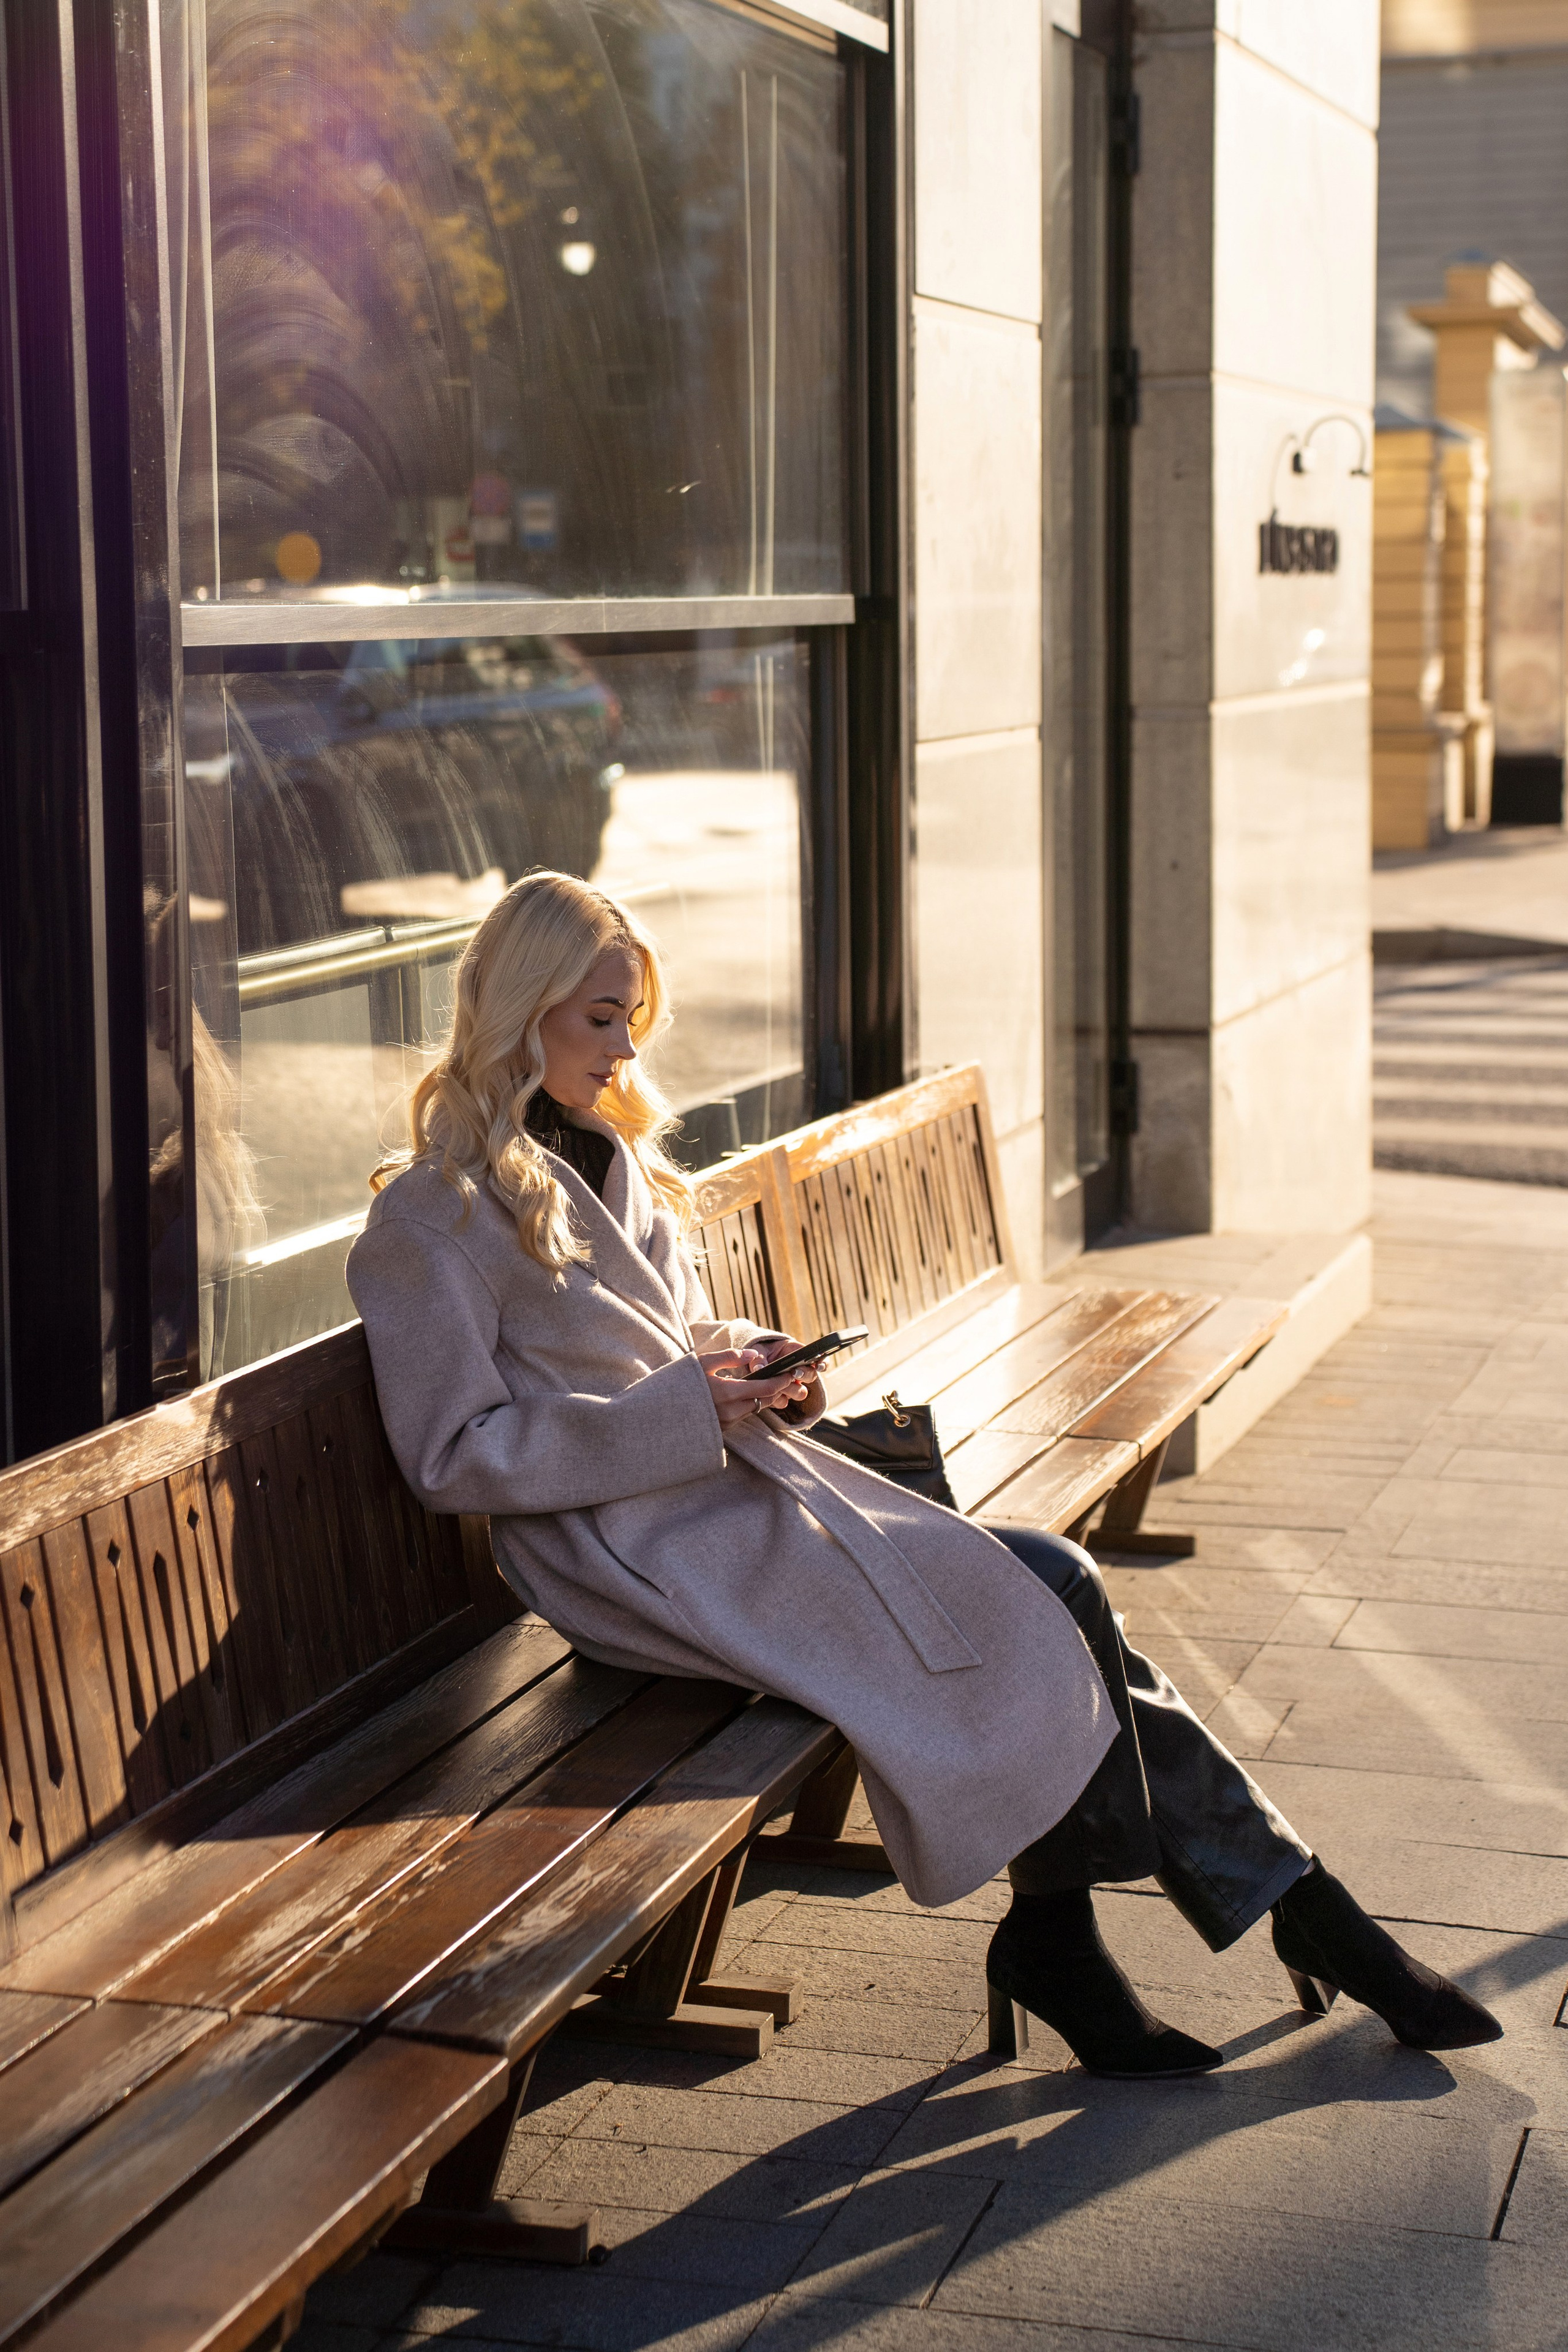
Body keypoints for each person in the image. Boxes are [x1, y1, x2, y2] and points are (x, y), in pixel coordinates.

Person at [348, 871, 1501, 2080]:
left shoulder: (605, 1160)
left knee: (1043, 1590)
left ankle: (1137, 1932)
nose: (623, 1045)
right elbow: (451, 1456)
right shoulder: (431, 1218)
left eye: (633, 1015)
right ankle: (1253, 1923)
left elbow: (660, 1346)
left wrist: (747, 1364)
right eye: (600, 1014)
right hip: (628, 1568)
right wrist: (683, 1412)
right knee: (1046, 1585)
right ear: (521, 1004)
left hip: (727, 1510)